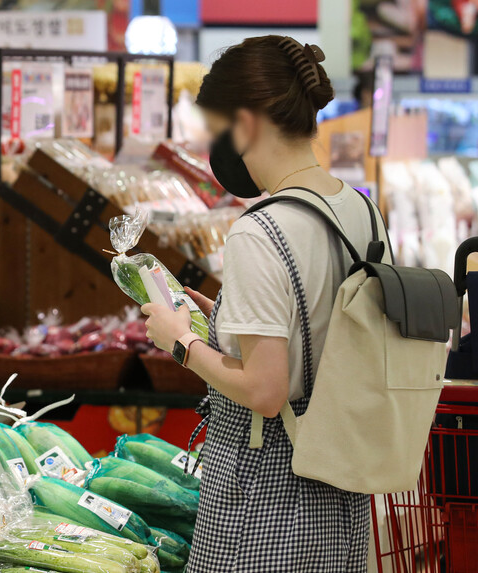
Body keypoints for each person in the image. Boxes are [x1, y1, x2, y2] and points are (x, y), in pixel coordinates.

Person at [141, 36, 382, 572]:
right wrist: (225, 317)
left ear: (246, 123)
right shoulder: (361, 212)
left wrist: (179, 342)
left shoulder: (260, 230)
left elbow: (265, 390)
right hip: (342, 490)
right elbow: (324, 330)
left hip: (266, 496)